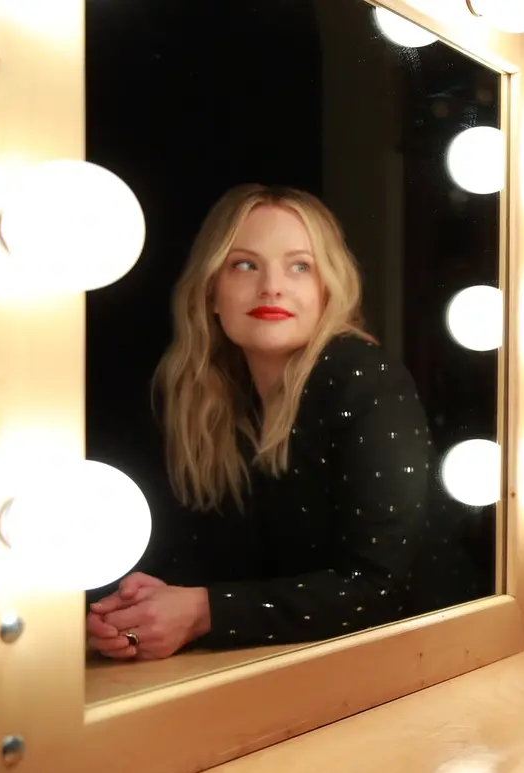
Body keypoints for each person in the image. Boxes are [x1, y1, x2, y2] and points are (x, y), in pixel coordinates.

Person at [86, 184, 433, 660]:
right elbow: (214, 568)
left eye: (300, 266)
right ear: (212, 291)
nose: (271, 286)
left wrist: (202, 612)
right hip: (280, 670)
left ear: (327, 290)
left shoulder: (365, 379)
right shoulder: (203, 397)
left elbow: (380, 589)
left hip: (418, 668)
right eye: (244, 265)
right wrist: (137, 611)